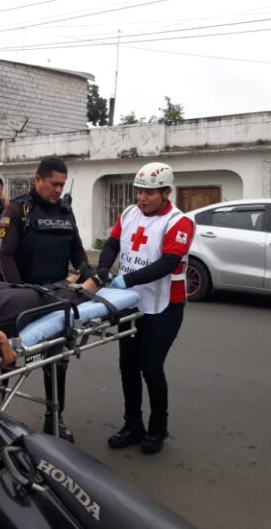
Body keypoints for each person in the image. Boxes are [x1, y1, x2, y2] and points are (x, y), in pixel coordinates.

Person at [97, 161, 195, 455]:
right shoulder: (129, 213)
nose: (141, 198)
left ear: (166, 192)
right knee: (127, 366)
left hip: (164, 306)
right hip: (129, 304)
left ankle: (158, 427)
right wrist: (103, 268)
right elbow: (112, 243)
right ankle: (132, 424)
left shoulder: (179, 222)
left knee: (151, 368)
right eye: (139, 191)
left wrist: (126, 279)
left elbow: (167, 263)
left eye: (149, 193)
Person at [0, 156, 91, 442]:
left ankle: (55, 417)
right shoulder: (18, 210)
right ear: (37, 180)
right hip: (22, 298)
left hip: (57, 297)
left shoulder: (65, 211)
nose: (58, 190)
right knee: (5, 360)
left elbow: (76, 249)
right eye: (54, 184)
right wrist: (20, 292)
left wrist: (88, 271)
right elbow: (6, 255)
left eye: (62, 184)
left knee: (57, 361)